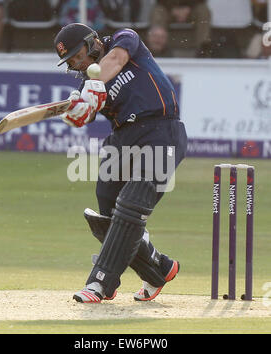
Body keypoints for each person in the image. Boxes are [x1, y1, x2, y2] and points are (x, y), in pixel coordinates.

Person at [54, 23, 187, 303]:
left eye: (79, 56)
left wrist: (91, 88)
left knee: (131, 206)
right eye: (72, 62)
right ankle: (159, 269)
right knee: (107, 212)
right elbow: (86, 116)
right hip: (123, 139)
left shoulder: (124, 39)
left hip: (162, 131)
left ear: (92, 43)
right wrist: (77, 110)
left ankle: (100, 283)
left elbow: (114, 60)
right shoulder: (87, 86)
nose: (78, 65)